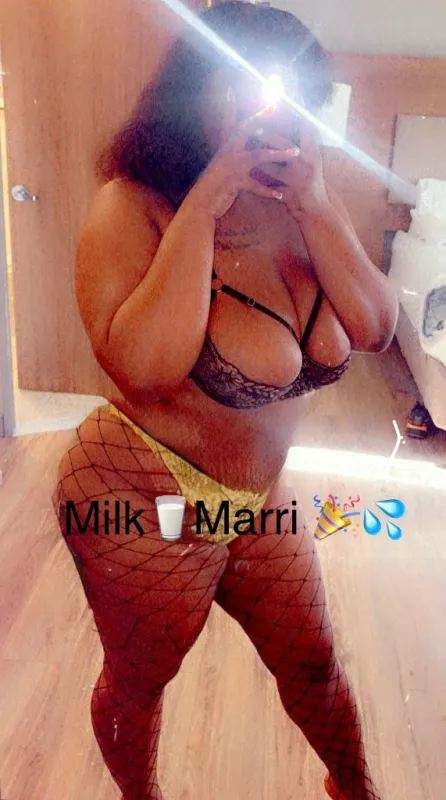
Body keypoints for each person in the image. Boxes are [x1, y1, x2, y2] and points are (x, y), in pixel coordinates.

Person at [53, 3, 398, 798]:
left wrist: (315, 204)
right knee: (143, 681)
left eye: (292, 92)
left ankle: (356, 790)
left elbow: (375, 328)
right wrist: (205, 205)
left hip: (255, 494)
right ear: (193, 91)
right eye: (240, 86)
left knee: (313, 662)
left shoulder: (304, 199)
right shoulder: (134, 204)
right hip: (140, 494)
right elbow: (144, 368)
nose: (269, 109)